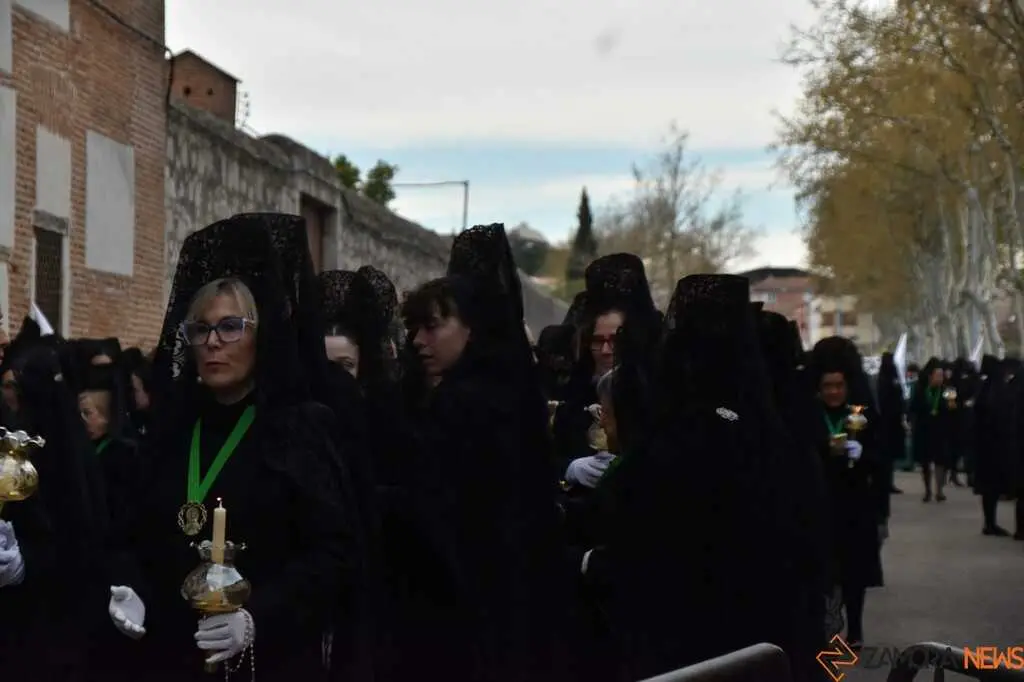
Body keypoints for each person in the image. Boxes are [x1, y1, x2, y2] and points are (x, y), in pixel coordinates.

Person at [98, 215, 360, 682]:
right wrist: (132, 587)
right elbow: (130, 532)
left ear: (262, 335)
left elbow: (332, 554)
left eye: (231, 327)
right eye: (201, 330)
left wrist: (258, 616)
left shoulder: (299, 428)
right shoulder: (173, 427)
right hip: (171, 652)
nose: (213, 343)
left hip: (266, 660)